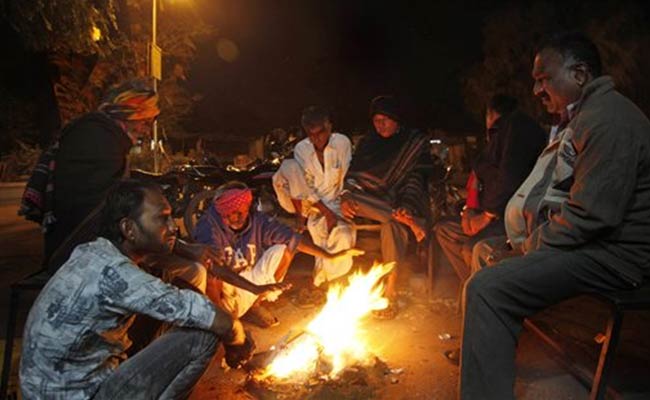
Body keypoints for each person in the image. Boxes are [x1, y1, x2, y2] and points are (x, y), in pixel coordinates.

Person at [460, 32, 650, 400]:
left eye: (544, 78)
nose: (536, 90)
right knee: (487, 250)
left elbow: (591, 218)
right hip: (593, 245)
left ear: (579, 73)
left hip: (617, 257)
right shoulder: (584, 117)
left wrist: (532, 246)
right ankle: (491, 356)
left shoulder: (609, 120)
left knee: (486, 289)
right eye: (535, 81)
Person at [19, 180, 254, 399]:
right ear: (129, 229)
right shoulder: (118, 276)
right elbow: (217, 320)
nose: (173, 228)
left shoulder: (94, 251)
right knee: (203, 336)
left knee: (180, 303)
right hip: (79, 394)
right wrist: (237, 339)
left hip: (50, 387)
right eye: (163, 219)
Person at [193, 181, 363, 327]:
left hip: (249, 279)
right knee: (209, 273)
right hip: (226, 289)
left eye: (240, 212)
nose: (235, 218)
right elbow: (215, 268)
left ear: (248, 207)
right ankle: (221, 323)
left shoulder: (258, 220)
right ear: (221, 211)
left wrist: (329, 255)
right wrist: (255, 288)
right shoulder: (208, 226)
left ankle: (254, 306)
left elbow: (292, 238)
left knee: (284, 249)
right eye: (229, 214)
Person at [434, 94, 546, 287]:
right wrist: (469, 211)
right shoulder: (499, 135)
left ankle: (480, 297)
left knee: (473, 248)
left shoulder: (517, 128)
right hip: (488, 214)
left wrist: (486, 216)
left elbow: (509, 177)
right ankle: (470, 289)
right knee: (445, 230)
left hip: (510, 219)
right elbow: (481, 180)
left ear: (490, 113)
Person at [340, 95, 433, 319]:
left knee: (392, 226)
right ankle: (408, 222)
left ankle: (389, 294)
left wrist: (406, 206)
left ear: (397, 119)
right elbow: (352, 175)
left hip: (395, 203)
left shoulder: (412, 142)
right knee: (358, 200)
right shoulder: (368, 142)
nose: (380, 125)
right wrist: (345, 195)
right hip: (364, 202)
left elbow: (416, 178)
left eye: (385, 120)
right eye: (376, 120)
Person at [273, 106, 356, 289]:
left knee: (342, 234)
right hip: (305, 204)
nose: (317, 138)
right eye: (311, 134)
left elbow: (348, 175)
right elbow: (302, 188)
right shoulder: (302, 149)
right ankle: (326, 281)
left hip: (335, 203)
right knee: (289, 167)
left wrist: (342, 201)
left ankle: (330, 282)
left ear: (329, 127)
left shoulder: (342, 143)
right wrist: (306, 214)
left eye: (321, 132)